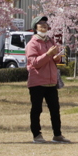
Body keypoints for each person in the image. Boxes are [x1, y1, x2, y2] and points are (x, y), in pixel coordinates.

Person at [26, 15, 69, 144]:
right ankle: (37, 135)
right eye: (41, 24)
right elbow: (34, 63)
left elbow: (55, 59)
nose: (44, 25)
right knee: (37, 109)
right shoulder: (32, 43)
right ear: (35, 27)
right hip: (37, 81)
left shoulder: (50, 41)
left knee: (55, 109)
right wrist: (48, 54)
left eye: (45, 23)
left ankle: (57, 135)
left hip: (51, 81)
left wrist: (57, 58)